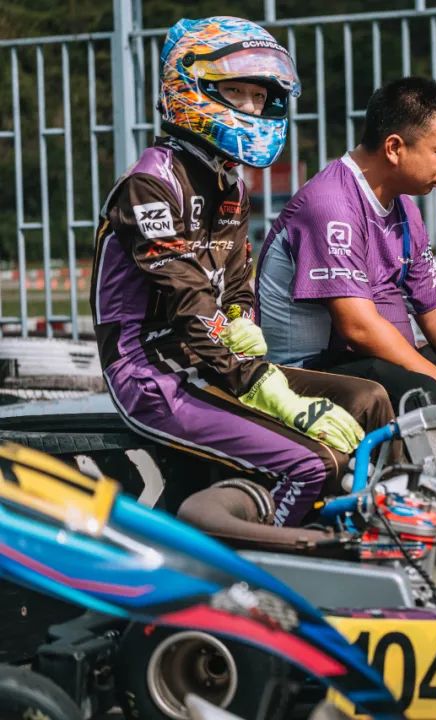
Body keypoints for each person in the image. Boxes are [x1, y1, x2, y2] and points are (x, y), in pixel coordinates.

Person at [90, 16, 394, 528]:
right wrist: (259, 385)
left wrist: (241, 327)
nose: (253, 108)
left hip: (213, 363)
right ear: (193, 89)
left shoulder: (229, 184)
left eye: (259, 96)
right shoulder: (150, 184)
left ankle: (388, 534)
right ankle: (270, 562)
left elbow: (234, 286)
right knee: (312, 462)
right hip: (150, 373)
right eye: (237, 92)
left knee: (369, 399)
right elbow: (188, 301)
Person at [255, 77, 436, 537]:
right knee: (422, 393)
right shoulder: (331, 203)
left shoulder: (403, 206)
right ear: (394, 147)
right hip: (311, 370)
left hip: (373, 360)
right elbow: (357, 328)